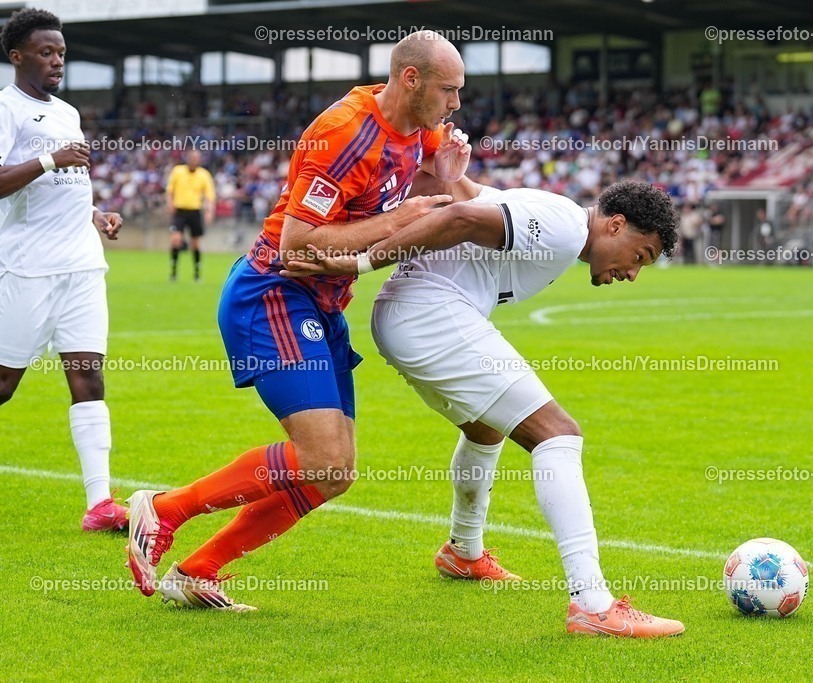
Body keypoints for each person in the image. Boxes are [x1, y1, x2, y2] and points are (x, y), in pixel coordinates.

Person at [124, 30, 472, 610]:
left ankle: (198, 571)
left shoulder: (420, 129)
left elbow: (399, 193)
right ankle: (163, 509)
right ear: (411, 80)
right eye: (449, 90)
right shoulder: (340, 134)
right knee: (320, 458)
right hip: (276, 290)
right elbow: (296, 246)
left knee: (333, 473)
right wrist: (400, 220)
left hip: (324, 300)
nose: (456, 104)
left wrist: (441, 172)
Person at [283, 177, 686, 638]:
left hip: (412, 317)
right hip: (429, 317)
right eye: (640, 257)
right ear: (615, 226)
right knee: (558, 433)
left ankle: (463, 551)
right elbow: (460, 218)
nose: (632, 274)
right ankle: (592, 605)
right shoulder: (566, 228)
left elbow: (470, 201)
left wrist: (455, 178)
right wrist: (357, 262)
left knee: (486, 429)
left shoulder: (561, 216)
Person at [0, 8, 126, 532]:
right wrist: (51, 160)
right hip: (27, 268)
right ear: (17, 56)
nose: (57, 62)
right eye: (46, 52)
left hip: (81, 266)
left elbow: (66, 184)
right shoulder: (5, 107)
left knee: (88, 375)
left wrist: (95, 215)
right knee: (5, 383)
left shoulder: (68, 112)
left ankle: (100, 504)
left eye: (62, 54)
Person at [166, 149, 215, 282]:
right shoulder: (178, 171)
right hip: (180, 211)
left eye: (196, 158)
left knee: (195, 243)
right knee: (176, 240)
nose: (194, 160)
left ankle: (197, 273)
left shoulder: (204, 175)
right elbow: (170, 190)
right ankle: (173, 272)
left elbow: (209, 195)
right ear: (188, 158)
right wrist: (170, 204)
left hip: (195, 211)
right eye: (192, 157)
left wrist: (209, 211)